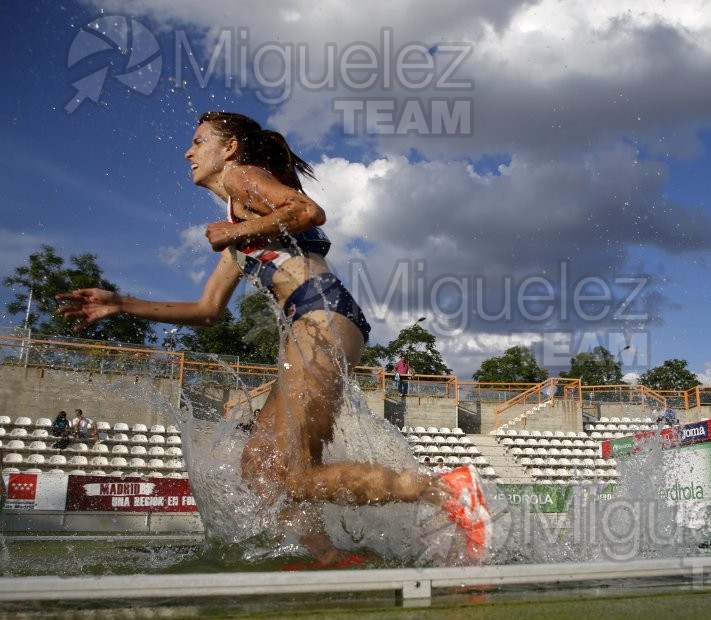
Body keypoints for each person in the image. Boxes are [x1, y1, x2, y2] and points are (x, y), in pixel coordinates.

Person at [55, 111, 489, 565]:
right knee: (264, 469)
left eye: (200, 141)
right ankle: (327, 556)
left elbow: (306, 210)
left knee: (287, 471)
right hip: (312, 323)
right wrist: (119, 303)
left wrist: (235, 232)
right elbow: (207, 311)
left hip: (320, 316)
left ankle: (444, 490)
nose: (189, 152)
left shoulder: (243, 178)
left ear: (229, 149)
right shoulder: (241, 227)